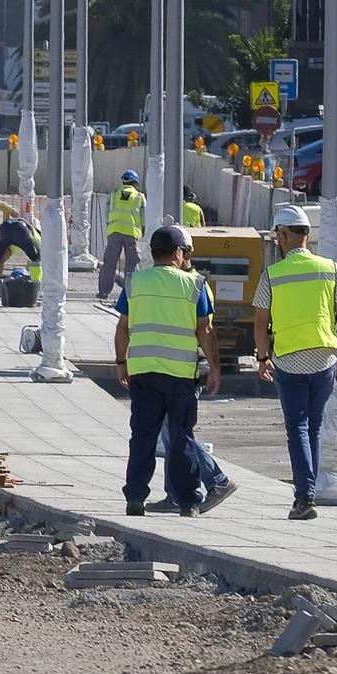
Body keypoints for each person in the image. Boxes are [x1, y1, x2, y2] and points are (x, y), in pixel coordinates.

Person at [251, 203, 337, 521]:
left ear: (283, 236)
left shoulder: (272, 275)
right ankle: (307, 493)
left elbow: (259, 322)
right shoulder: (330, 268)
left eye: (278, 237)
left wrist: (262, 357)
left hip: (289, 361)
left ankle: (304, 497)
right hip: (324, 359)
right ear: (306, 236)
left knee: (296, 427)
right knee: (312, 425)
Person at [114, 225, 223, 517]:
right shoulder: (195, 285)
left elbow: (122, 328)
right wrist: (215, 368)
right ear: (178, 253)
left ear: (152, 253)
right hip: (180, 375)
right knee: (181, 437)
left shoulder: (135, 283)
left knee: (142, 437)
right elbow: (205, 330)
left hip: (143, 373)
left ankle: (135, 498)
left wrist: (121, 363)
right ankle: (188, 503)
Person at [99, 169, 146, 298]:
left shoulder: (114, 194)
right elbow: (143, 217)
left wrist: (110, 225)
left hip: (114, 232)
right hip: (132, 233)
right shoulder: (139, 197)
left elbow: (107, 213)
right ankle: (130, 294)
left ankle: (103, 292)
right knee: (132, 264)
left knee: (109, 263)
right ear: (135, 183)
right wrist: (142, 230)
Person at [0, 210, 41, 292]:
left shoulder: (13, 245)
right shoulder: (39, 238)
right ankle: (35, 286)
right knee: (36, 260)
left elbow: (1, 261)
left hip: (4, 228)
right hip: (21, 231)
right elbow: (36, 262)